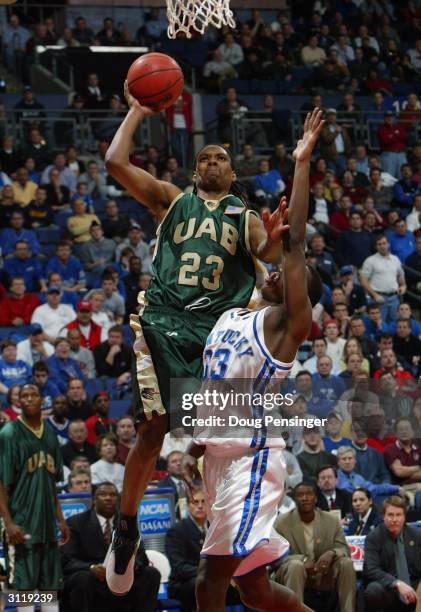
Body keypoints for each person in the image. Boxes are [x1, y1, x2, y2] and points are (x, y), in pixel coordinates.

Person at [104, 81, 299, 593]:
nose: (213, 159)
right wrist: (137, 112)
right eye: (206, 155)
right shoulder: (171, 200)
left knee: (212, 444)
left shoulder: (246, 215)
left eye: (222, 157)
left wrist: (276, 243)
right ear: (196, 171)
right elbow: (115, 163)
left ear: (233, 174)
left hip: (215, 337)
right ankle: (126, 530)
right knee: (154, 429)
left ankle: (232, 539)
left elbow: (273, 258)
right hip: (164, 321)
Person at [175, 109, 325, 612]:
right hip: (222, 459)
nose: (277, 269)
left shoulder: (286, 327)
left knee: (207, 582)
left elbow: (296, 242)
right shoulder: (238, 313)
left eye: (286, 273)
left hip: (252, 462)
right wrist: (198, 442)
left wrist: (301, 162)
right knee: (255, 589)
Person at [0, 384, 69, 609]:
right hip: (22, 524)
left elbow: (52, 482)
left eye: (33, 395)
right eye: (24, 396)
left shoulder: (49, 434)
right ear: (18, 402)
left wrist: (61, 520)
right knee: (25, 588)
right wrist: (8, 523)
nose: (29, 399)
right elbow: (1, 484)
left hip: (48, 525)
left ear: (42, 400)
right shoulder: (9, 433)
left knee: (50, 587)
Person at [61, 482, 160, 612]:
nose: (108, 498)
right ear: (94, 500)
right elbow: (67, 560)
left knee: (151, 574)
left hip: (121, 578)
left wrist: (132, 566)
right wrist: (91, 568)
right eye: (103, 494)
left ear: (119, 500)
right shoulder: (76, 522)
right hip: (93, 577)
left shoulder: (126, 522)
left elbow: (141, 557)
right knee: (82, 579)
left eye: (113, 495)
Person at [274, 482, 356, 612]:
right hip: (292, 574)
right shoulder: (281, 522)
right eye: (300, 495)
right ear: (294, 499)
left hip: (323, 573)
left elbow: (344, 549)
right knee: (296, 565)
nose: (305, 498)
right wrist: (303, 560)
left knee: (346, 563)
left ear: (316, 498)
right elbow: (276, 557)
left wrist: (332, 553)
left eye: (309, 494)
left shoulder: (331, 520)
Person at [363, 495, 421, 611]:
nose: (394, 519)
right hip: (389, 588)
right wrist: (397, 583)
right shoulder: (373, 538)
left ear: (404, 517)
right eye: (390, 515)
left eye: (398, 515)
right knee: (373, 590)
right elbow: (371, 569)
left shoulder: (416, 535)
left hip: (414, 586)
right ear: (384, 517)